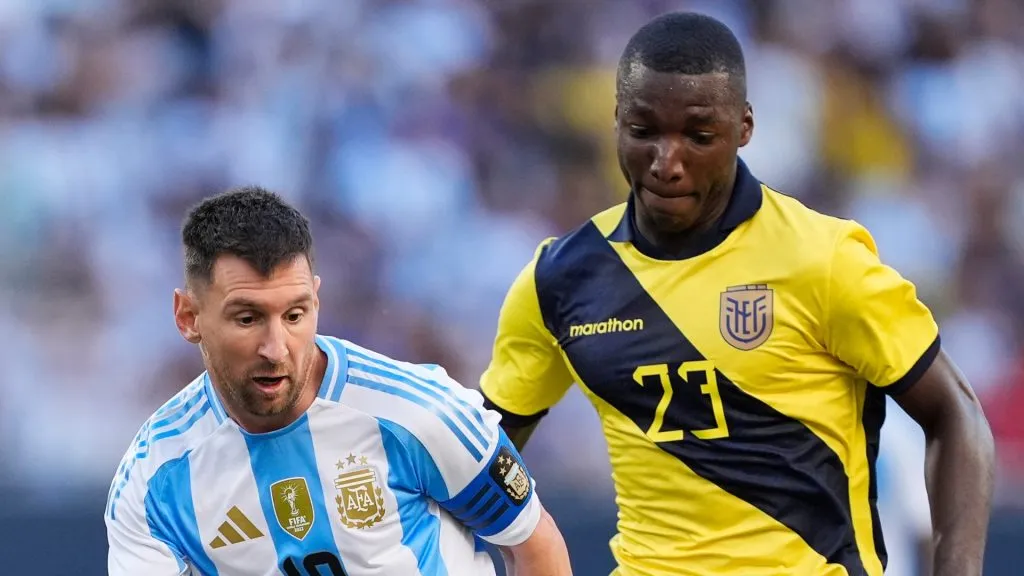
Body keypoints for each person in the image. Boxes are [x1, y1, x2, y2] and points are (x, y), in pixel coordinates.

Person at [479, 11, 994, 576]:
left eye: (699, 137)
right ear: (617, 120)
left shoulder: (822, 260)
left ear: (744, 127)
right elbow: (476, 453)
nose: (667, 163)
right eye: (643, 131)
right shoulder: (559, 279)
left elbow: (954, 412)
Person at [104, 187, 573, 576]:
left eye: (294, 315)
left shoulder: (419, 412)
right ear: (189, 317)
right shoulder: (153, 480)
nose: (276, 347)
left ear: (316, 300)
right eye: (247, 318)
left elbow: (533, 545)